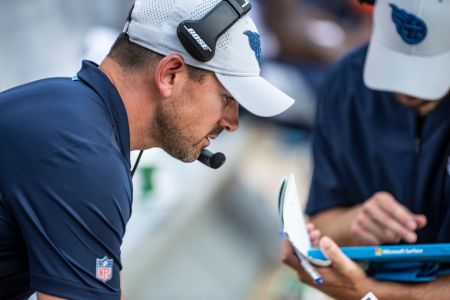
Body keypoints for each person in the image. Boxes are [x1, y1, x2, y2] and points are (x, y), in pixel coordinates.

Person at [0, 0, 295, 299]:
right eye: (227, 99)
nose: (232, 123)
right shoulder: (87, 161)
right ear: (170, 74)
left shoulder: (73, 113)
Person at [283, 0, 450, 298]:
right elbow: (322, 223)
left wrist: (369, 292)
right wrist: (355, 222)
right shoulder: (346, 86)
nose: (408, 88)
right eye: (395, 63)